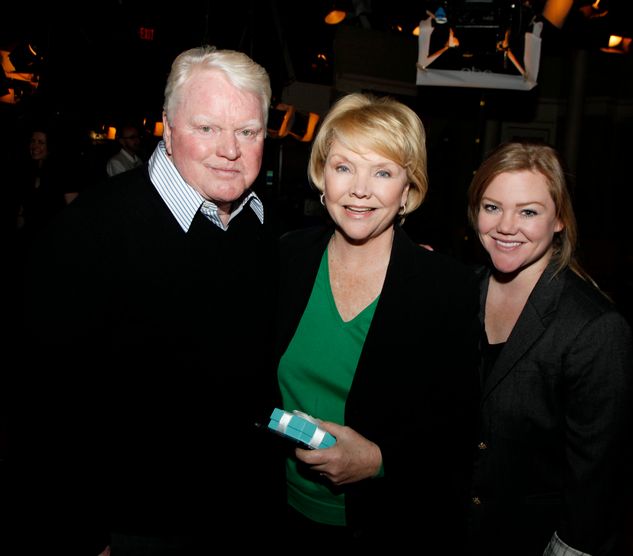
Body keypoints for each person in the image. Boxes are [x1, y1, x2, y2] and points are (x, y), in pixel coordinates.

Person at [7, 46, 283, 556]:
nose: (230, 150)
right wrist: (82, 531)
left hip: (241, 515)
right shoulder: (88, 231)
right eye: (206, 128)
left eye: (247, 131)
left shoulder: (263, 226)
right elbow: (42, 396)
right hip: (132, 525)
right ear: (168, 128)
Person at [272, 92, 481, 553]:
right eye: (344, 167)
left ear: (408, 190)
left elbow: (460, 427)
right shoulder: (285, 258)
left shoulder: (446, 288)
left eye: (383, 172)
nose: (359, 189)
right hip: (274, 513)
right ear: (322, 176)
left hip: (388, 523)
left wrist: (379, 460)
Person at [465, 142, 633, 555]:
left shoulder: (594, 328)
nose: (506, 226)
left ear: (558, 219)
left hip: (533, 537)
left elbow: (598, 471)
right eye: (492, 207)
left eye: (528, 211)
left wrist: (570, 545)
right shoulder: (461, 292)